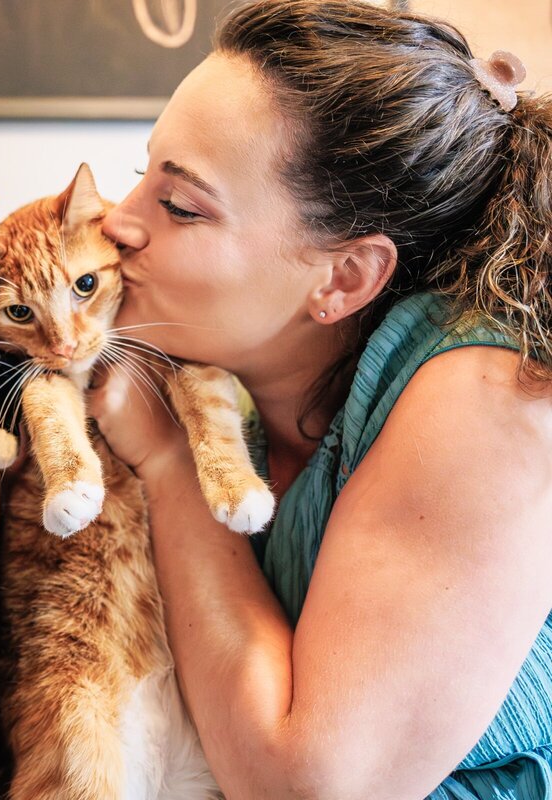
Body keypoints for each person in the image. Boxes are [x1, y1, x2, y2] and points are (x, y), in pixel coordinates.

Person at [92, 0, 552, 797]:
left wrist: (168, 462)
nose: (114, 222)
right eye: (142, 176)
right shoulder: (229, 394)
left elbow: (309, 785)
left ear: (342, 278)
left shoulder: (491, 393)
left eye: (179, 205)